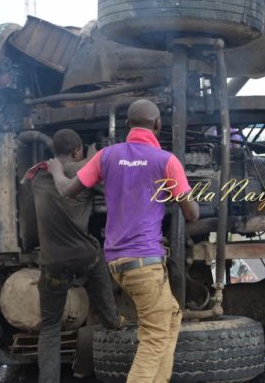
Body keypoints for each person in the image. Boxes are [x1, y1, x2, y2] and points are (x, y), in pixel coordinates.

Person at [48, 99, 199, 383]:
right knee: (154, 340)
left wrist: (56, 169)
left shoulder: (107, 156)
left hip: (117, 263)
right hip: (145, 263)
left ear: (128, 124)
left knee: (172, 316)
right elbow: (191, 213)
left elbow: (68, 190)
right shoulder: (166, 161)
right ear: (157, 125)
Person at [25, 129, 122, 383]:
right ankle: (112, 319)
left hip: (52, 262)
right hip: (85, 257)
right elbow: (114, 190)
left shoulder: (37, 177)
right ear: (78, 151)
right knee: (98, 262)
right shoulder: (84, 172)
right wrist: (91, 161)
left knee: (50, 328)